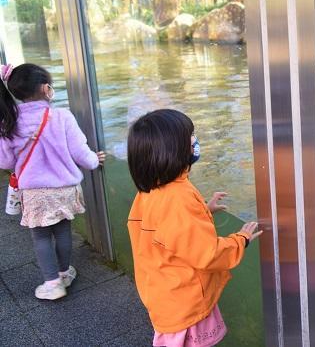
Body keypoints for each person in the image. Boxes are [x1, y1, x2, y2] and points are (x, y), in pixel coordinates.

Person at [126, 109, 262, 347]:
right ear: (172, 149)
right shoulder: (178, 197)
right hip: (184, 302)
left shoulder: (150, 190)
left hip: (163, 295)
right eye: (190, 136)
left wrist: (204, 210)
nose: (194, 141)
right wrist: (241, 239)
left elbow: (167, 232)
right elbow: (207, 254)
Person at [0, 63, 106, 300]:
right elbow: (80, 152)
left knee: (40, 237)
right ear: (46, 89)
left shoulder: (11, 121)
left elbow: (5, 161)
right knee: (62, 231)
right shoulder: (61, 116)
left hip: (35, 193)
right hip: (64, 189)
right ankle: (64, 272)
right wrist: (93, 161)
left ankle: (52, 283)